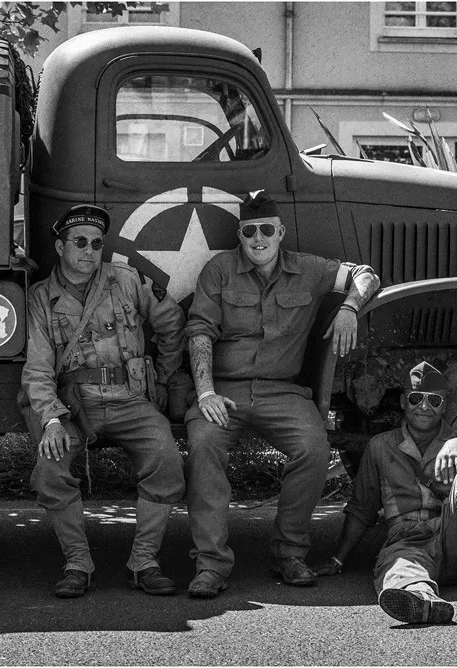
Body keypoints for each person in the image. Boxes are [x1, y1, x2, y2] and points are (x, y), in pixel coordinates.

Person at [183, 190, 380, 598]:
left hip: (282, 392)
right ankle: (210, 564)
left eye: (266, 230)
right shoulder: (219, 270)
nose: (258, 238)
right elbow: (200, 330)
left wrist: (349, 307)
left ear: (281, 232)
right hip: (225, 392)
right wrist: (205, 393)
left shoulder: (308, 269)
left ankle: (288, 553)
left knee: (313, 447)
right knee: (203, 445)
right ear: (240, 234)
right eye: (249, 231)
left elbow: (366, 275)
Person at [22, 204, 186, 598]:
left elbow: (172, 323)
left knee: (166, 458)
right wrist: (51, 420)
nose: (89, 250)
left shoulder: (126, 280)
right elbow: (38, 367)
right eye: (80, 242)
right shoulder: (41, 297)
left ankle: (144, 561)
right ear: (60, 246)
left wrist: (162, 378)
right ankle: (78, 562)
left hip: (130, 400)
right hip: (74, 406)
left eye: (96, 243)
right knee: (49, 469)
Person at [313, 361, 457, 624]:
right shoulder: (380, 446)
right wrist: (338, 559)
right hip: (408, 541)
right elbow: (362, 508)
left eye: (434, 400)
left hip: (454, 540)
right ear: (403, 401)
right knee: (400, 571)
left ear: (444, 406)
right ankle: (423, 600)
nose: (424, 407)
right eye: (416, 398)